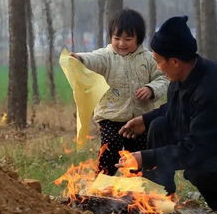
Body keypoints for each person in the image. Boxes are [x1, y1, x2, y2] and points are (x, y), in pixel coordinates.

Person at [116, 15, 217, 213]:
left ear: (174, 61)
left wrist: (144, 158)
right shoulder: (181, 78)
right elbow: (175, 111)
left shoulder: (212, 88)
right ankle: (158, 197)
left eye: (158, 61)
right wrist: (145, 120)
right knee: (158, 126)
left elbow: (195, 149)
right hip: (210, 142)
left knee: (198, 168)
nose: (157, 67)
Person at [70, 9, 169, 175]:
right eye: (117, 38)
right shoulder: (107, 56)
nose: (121, 43)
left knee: (137, 156)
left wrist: (151, 89)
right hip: (110, 117)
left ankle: (136, 190)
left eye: (128, 39)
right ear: (110, 37)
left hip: (139, 119)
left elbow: (163, 79)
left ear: (139, 38)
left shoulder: (148, 58)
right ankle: (101, 185)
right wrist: (79, 59)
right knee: (110, 151)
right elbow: (92, 58)